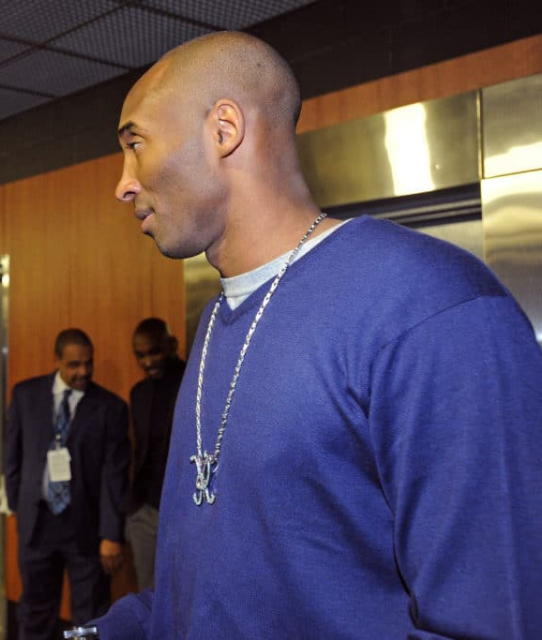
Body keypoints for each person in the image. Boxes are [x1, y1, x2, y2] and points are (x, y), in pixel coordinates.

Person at [93, 31, 542, 638]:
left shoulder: (431, 306)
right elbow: (220, 581)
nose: (123, 183)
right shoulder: (216, 322)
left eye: (135, 145)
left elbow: (491, 615)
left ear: (223, 130)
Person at [4, 329, 130, 639]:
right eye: (74, 364)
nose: (83, 372)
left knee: (88, 617)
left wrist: (111, 534)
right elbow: (12, 454)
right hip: (37, 523)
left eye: (88, 363)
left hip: (85, 526)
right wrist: (17, 504)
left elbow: (114, 475)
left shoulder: (110, 408)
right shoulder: (26, 395)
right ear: (57, 360)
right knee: (34, 611)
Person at [122, 318, 184, 592]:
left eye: (154, 352)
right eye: (140, 355)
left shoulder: (196, 383)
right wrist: (132, 508)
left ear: (172, 345)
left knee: (183, 592)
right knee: (148, 595)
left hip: (183, 511)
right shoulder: (138, 393)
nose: (148, 362)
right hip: (145, 510)